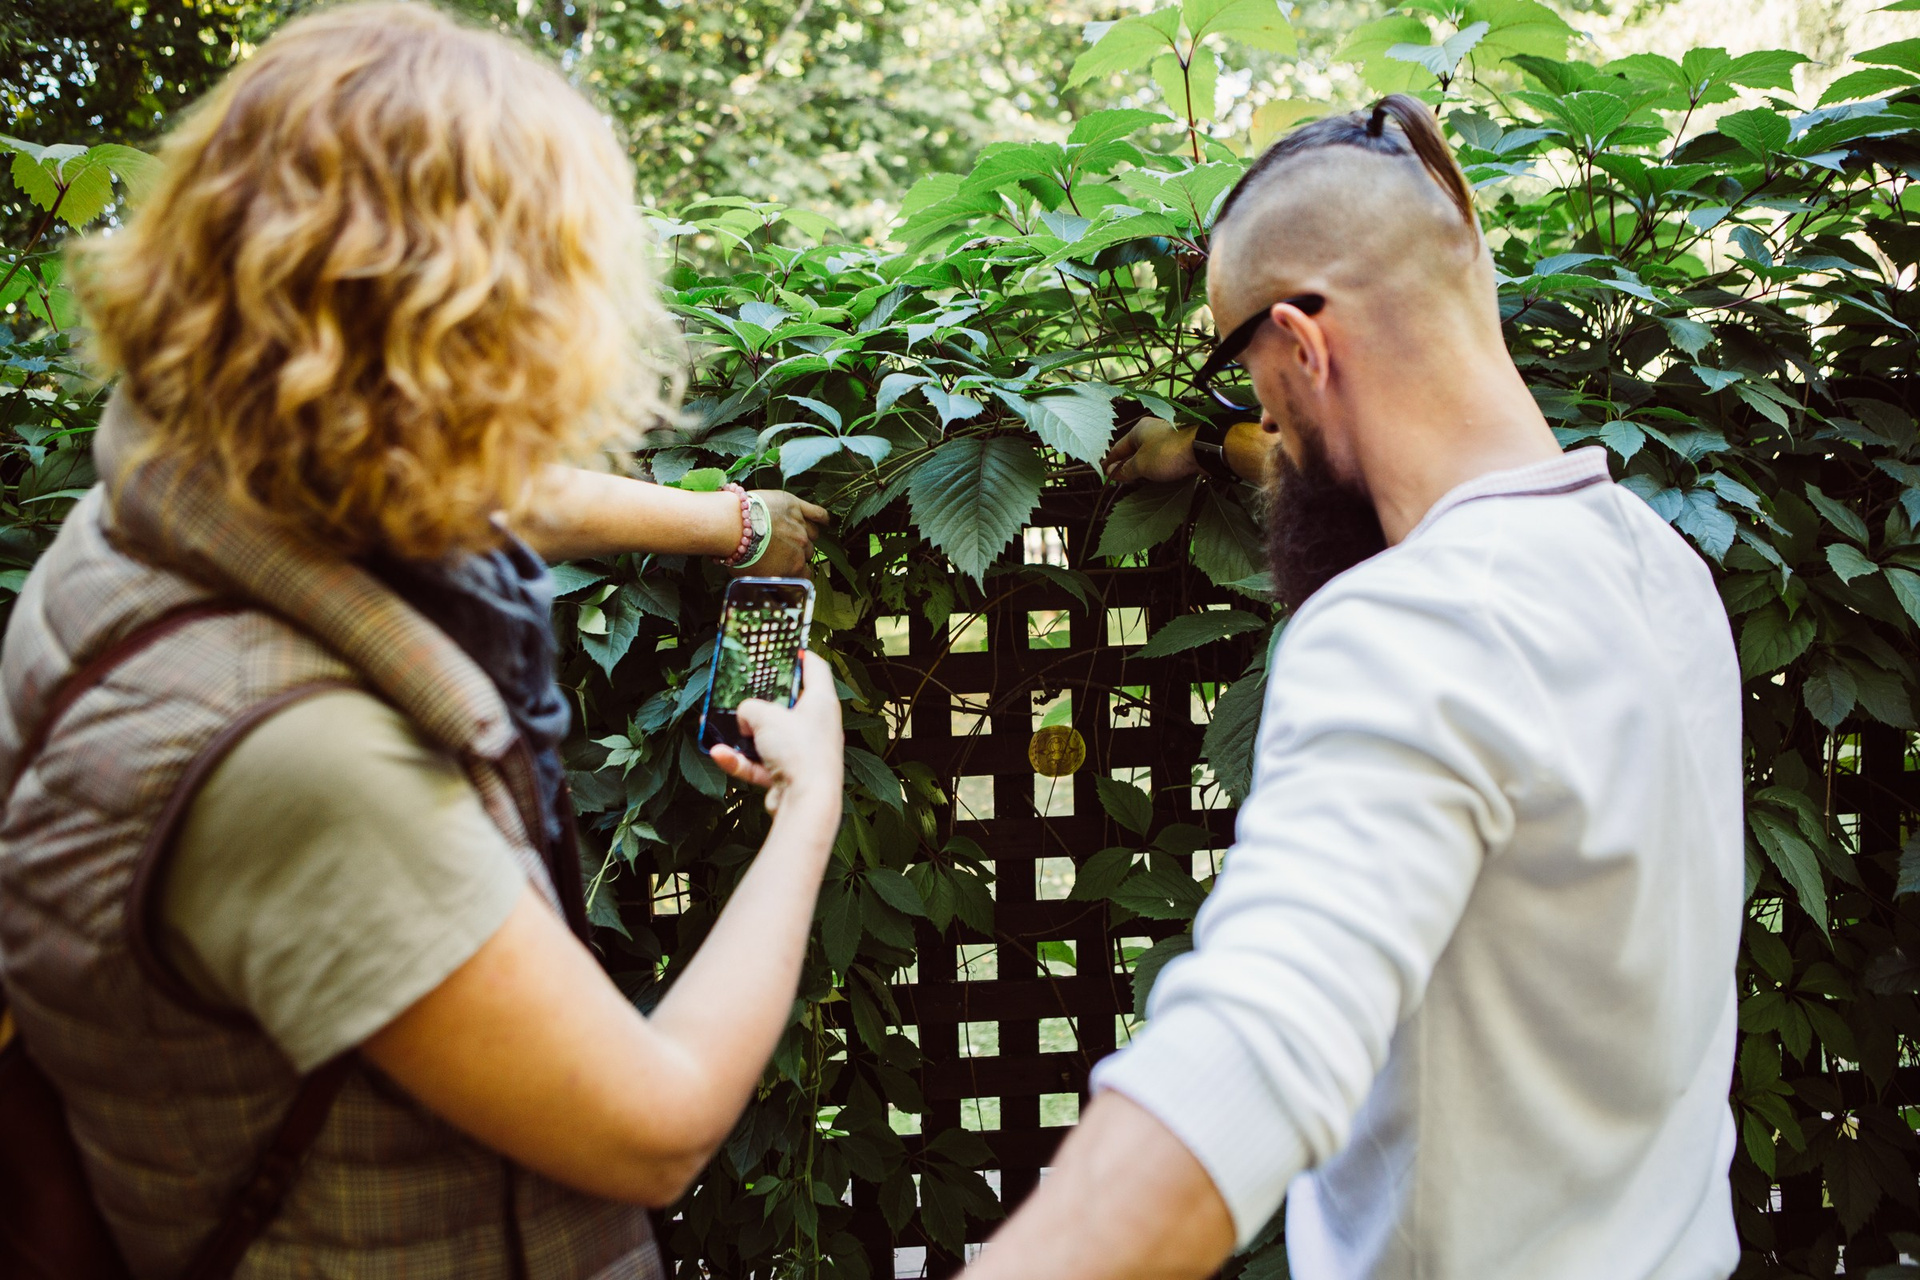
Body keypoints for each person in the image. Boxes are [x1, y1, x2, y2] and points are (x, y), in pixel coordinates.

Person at [0, 6, 839, 1278]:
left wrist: (727, 522)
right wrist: (809, 803)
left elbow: (454, 479)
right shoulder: (304, 767)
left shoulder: (162, 489)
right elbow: (654, 1128)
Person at [970, 96, 1744, 1280]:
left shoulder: (1412, 624)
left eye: (1244, 377)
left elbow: (1250, 1058)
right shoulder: (1662, 566)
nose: (1261, 426)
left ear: (1300, 344)